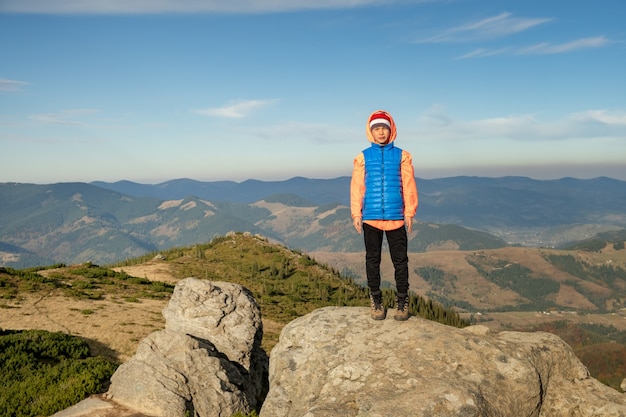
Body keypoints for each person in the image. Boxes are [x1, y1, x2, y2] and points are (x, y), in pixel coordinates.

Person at [350, 110, 418, 321]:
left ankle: (402, 302)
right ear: (371, 132)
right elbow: (357, 187)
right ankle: (376, 300)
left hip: (396, 215)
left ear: (391, 130)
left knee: (400, 261)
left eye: (384, 128)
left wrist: (409, 211)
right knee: (372, 260)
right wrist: (356, 213)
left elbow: (408, 185)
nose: (380, 132)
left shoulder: (402, 155)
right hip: (370, 216)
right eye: (376, 129)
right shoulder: (362, 157)